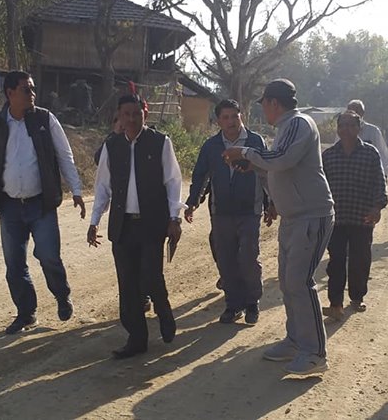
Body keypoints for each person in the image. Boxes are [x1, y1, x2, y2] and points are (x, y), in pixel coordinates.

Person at [223, 78, 334, 376]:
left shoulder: (298, 123)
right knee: (288, 282)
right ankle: (296, 341)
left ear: (274, 103)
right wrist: (255, 166)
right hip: (294, 217)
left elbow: (283, 159)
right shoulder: (287, 127)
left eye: (264, 104)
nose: (264, 110)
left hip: (311, 215)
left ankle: (315, 353)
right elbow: (279, 165)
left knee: (299, 282)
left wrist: (245, 153)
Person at [0, 71, 86, 334]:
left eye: (32, 89)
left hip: (41, 204)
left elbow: (65, 156)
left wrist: (76, 190)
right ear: (10, 93)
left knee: (49, 256)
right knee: (14, 264)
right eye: (26, 89)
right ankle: (26, 313)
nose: (32, 94)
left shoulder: (45, 120)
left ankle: (61, 295)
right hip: (10, 206)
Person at [87, 93, 183, 359]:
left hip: (152, 223)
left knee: (150, 276)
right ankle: (136, 338)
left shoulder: (160, 142)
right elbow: (102, 187)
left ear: (145, 114)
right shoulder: (112, 146)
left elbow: (173, 182)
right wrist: (94, 221)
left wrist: (174, 218)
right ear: (119, 116)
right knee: (127, 284)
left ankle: (163, 310)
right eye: (126, 114)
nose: (131, 119)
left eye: (136, 114)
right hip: (123, 225)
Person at [185, 99, 271, 325]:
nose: (231, 122)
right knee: (226, 259)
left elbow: (266, 173)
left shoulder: (255, 142)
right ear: (218, 121)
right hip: (221, 211)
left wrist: (270, 203)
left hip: (249, 210)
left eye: (235, 116)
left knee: (248, 257)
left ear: (242, 117)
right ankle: (233, 305)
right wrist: (193, 202)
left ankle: (252, 302)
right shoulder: (211, 146)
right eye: (226, 117)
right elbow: (200, 175)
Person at [321, 111, 388, 320]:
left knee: (360, 260)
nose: (346, 130)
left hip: (362, 217)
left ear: (359, 128)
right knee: (336, 261)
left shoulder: (370, 153)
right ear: (337, 129)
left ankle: (357, 297)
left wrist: (377, 207)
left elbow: (379, 182)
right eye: (342, 125)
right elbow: (321, 187)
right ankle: (335, 303)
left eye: (351, 125)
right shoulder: (328, 155)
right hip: (336, 218)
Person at [95, 115, 154, 314]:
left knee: (147, 266)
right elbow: (100, 168)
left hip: (149, 218)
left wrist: (174, 217)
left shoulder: (155, 142)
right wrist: (115, 135)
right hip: (122, 219)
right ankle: (133, 307)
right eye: (121, 119)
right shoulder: (112, 145)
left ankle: (146, 295)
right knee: (126, 267)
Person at [336, 99, 388, 178]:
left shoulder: (373, 131)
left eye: (357, 111)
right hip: (346, 174)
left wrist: (383, 174)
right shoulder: (342, 132)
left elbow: (383, 154)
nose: (354, 113)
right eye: (350, 111)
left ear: (363, 113)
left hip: (367, 175)